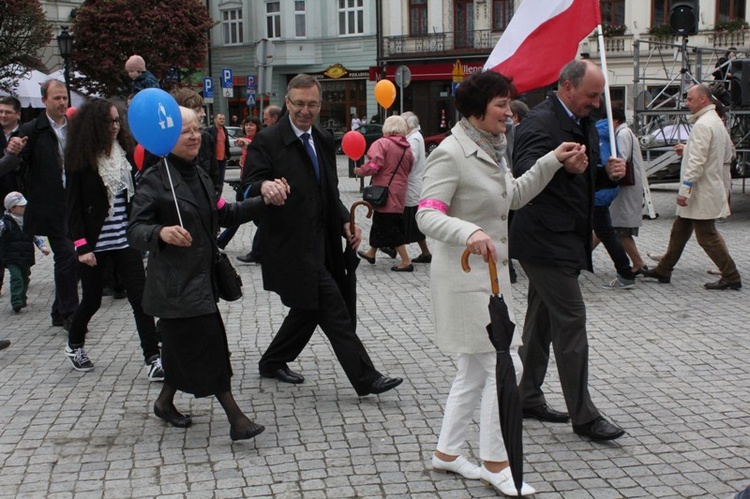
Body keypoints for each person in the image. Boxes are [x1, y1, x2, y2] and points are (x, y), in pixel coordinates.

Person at [417, 71, 586, 495]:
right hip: (463, 280)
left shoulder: (490, 148)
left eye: (509, 104)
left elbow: (510, 197)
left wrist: (552, 161)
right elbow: (427, 213)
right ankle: (497, 461)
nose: (509, 113)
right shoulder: (451, 152)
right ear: (476, 110)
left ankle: (448, 453)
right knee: (503, 366)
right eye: (501, 105)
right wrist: (468, 232)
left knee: (474, 370)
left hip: (487, 281)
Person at [243, 74, 403, 395]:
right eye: (299, 103)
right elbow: (247, 187)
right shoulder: (268, 141)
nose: (305, 110)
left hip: (324, 243)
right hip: (290, 245)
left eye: (312, 104)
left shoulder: (323, 137)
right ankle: (365, 378)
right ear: (288, 102)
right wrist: (265, 186)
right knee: (333, 307)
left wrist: (346, 222)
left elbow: (329, 191)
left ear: (319, 104)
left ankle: (272, 361)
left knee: (309, 307)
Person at [127, 106, 281, 440]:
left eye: (198, 128)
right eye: (186, 131)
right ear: (167, 136)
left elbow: (225, 214)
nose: (196, 136)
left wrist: (266, 203)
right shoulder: (156, 179)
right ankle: (236, 419)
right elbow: (135, 229)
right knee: (210, 348)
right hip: (175, 287)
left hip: (201, 281)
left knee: (182, 350)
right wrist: (161, 234)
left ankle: (165, 403)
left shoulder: (198, 173)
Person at [509, 60, 626, 441]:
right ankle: (585, 416)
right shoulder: (538, 123)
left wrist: (606, 173)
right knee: (571, 320)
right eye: (591, 95)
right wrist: (564, 166)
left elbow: (582, 176)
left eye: (598, 95)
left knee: (541, 320)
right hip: (543, 238)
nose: (596, 102)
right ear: (567, 87)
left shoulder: (583, 121)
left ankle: (526, 396)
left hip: (567, 236)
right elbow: (525, 175)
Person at [63, 99, 162, 378]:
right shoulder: (80, 159)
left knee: (140, 298)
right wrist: (81, 245)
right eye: (109, 121)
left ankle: (153, 358)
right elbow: (72, 207)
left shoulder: (124, 153)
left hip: (124, 239)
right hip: (95, 242)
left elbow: (135, 194)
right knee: (92, 299)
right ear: (95, 124)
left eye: (118, 120)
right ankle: (74, 344)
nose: (115, 126)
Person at [642, 84, 741, 290]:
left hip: (701, 190)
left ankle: (731, 276)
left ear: (703, 99)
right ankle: (664, 269)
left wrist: (685, 190)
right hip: (705, 186)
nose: (686, 103)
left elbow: (697, 161)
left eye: (689, 99)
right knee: (680, 230)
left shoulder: (704, 124)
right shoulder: (714, 122)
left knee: (706, 236)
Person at [18, 79, 80, 330]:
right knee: (67, 256)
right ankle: (69, 312)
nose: (62, 102)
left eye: (64, 97)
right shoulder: (33, 129)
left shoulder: (75, 129)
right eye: (56, 98)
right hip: (50, 205)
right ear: (44, 100)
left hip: (73, 202)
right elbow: (21, 165)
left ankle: (58, 310)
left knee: (71, 257)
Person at [354, 115, 415, 271]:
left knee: (391, 226)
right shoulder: (407, 148)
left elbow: (375, 165)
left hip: (384, 191)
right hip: (399, 191)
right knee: (380, 221)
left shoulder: (382, 143)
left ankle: (406, 261)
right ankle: (371, 253)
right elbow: (409, 169)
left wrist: (361, 171)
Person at [592, 117, 638, 289]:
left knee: (605, 233)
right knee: (604, 232)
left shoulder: (597, 135)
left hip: (599, 193)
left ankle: (625, 272)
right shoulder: (607, 136)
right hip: (604, 191)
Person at [609, 107, 647, 275]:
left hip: (626, 188)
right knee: (608, 225)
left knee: (620, 228)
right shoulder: (624, 132)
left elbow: (621, 159)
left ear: (614, 120)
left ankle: (639, 263)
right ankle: (581, 257)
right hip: (625, 188)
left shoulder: (623, 134)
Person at [1, 191, 50, 312]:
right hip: (11, 256)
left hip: (26, 256)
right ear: (12, 209)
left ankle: (22, 297)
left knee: (25, 277)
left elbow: (35, 236)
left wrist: (42, 247)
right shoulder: (5, 223)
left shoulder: (28, 221)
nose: (25, 209)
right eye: (22, 207)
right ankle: (16, 300)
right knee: (16, 278)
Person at [218, 116, 262, 251]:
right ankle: (221, 241)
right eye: (247, 124)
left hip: (252, 185)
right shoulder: (244, 144)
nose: (248, 127)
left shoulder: (259, 141)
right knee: (240, 215)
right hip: (244, 183)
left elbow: (258, 149)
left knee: (250, 216)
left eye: (252, 125)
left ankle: (258, 249)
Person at [400, 111, 431, 264]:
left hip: (411, 184)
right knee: (412, 221)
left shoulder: (413, 139)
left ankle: (393, 247)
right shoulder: (414, 136)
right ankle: (425, 252)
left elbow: (410, 160)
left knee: (408, 219)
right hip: (413, 184)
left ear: (409, 125)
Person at [206, 113, 232, 189]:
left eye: (223, 119)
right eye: (220, 119)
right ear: (215, 120)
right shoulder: (210, 130)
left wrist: (227, 154)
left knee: (221, 179)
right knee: (214, 179)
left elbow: (226, 143)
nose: (222, 120)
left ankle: (219, 196)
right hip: (214, 158)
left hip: (223, 158)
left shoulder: (225, 130)